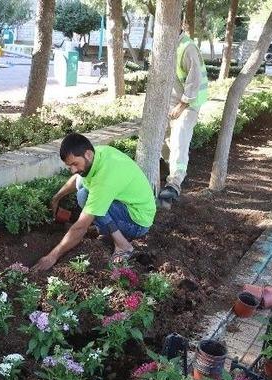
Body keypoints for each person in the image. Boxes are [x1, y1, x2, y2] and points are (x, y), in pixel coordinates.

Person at [32, 133, 156, 272]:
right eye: (69, 166)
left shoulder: (105, 180)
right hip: (130, 206)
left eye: (74, 164)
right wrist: (56, 198)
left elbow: (80, 228)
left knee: (86, 198)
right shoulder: (99, 155)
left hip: (137, 222)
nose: (72, 170)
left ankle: (123, 245)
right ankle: (103, 228)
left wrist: (52, 256)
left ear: (88, 154)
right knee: (83, 191)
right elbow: (77, 180)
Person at [158, 24, 208, 207]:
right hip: (171, 102)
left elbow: (194, 81)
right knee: (164, 140)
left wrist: (182, 105)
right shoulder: (166, 44)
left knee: (179, 140)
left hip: (188, 103)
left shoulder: (187, 47)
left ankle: (174, 184)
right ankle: (172, 172)